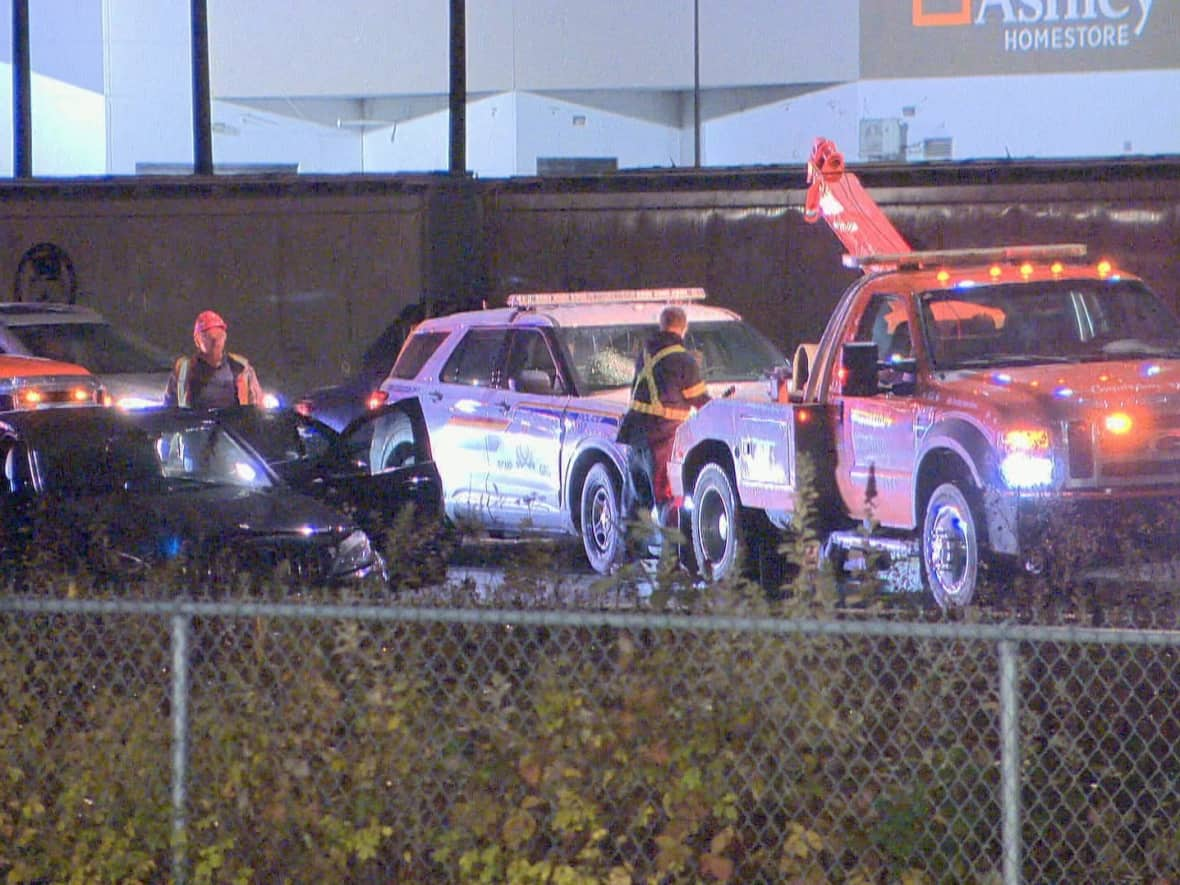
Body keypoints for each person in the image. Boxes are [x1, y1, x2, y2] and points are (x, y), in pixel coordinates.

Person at [616, 304, 711, 531]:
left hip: (636, 437)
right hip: (661, 439)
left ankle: (628, 561)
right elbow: (700, 401)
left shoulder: (646, 352)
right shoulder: (683, 359)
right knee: (668, 501)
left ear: (662, 325)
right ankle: (670, 560)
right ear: (684, 328)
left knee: (635, 505)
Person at [164, 310, 264, 409]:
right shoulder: (183, 370)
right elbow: (170, 410)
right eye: (208, 337)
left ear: (225, 337)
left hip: (232, 423)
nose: (215, 342)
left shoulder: (240, 367)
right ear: (197, 340)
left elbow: (256, 407)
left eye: (219, 336)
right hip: (195, 423)